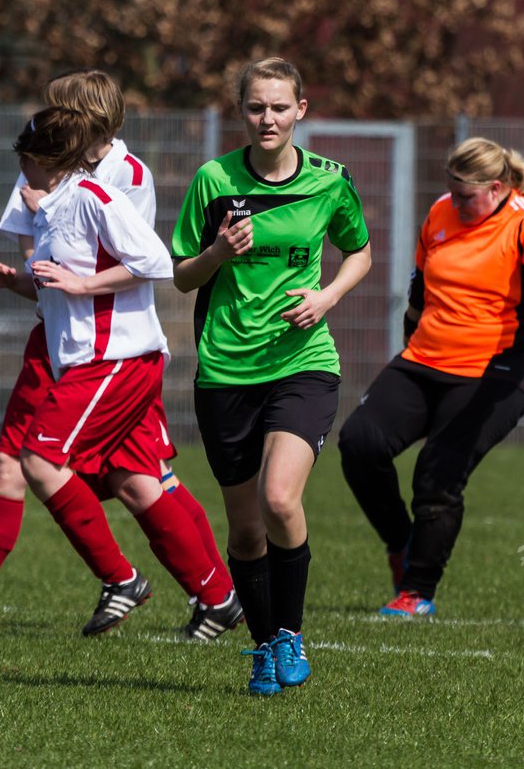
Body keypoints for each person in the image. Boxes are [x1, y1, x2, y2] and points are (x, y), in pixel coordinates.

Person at [0, 72, 240, 640]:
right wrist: (23, 279)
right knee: (39, 466)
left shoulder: (113, 180)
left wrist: (76, 283)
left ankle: (157, 584)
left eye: (63, 112)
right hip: (61, 346)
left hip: (112, 354)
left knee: (120, 473)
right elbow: (47, 263)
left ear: (85, 127)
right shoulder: (46, 175)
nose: (53, 119)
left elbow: (139, 263)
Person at [171, 57, 372, 696]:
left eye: (280, 107)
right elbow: (181, 275)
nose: (268, 118)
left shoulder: (331, 181)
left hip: (302, 362)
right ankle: (262, 647)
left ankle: (289, 633)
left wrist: (328, 297)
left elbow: (359, 250)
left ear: (301, 111)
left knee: (281, 499)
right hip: (227, 370)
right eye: (257, 107)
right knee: (246, 527)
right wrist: (216, 255)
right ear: (242, 112)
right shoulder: (212, 180)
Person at [337, 136, 524, 618]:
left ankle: (416, 591)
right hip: (427, 355)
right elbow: (420, 288)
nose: (457, 203)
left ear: (495, 188)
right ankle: (401, 542)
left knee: (438, 473)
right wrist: (407, 343)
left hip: (498, 366)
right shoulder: (442, 212)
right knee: (359, 442)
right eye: (452, 191)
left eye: (467, 196)